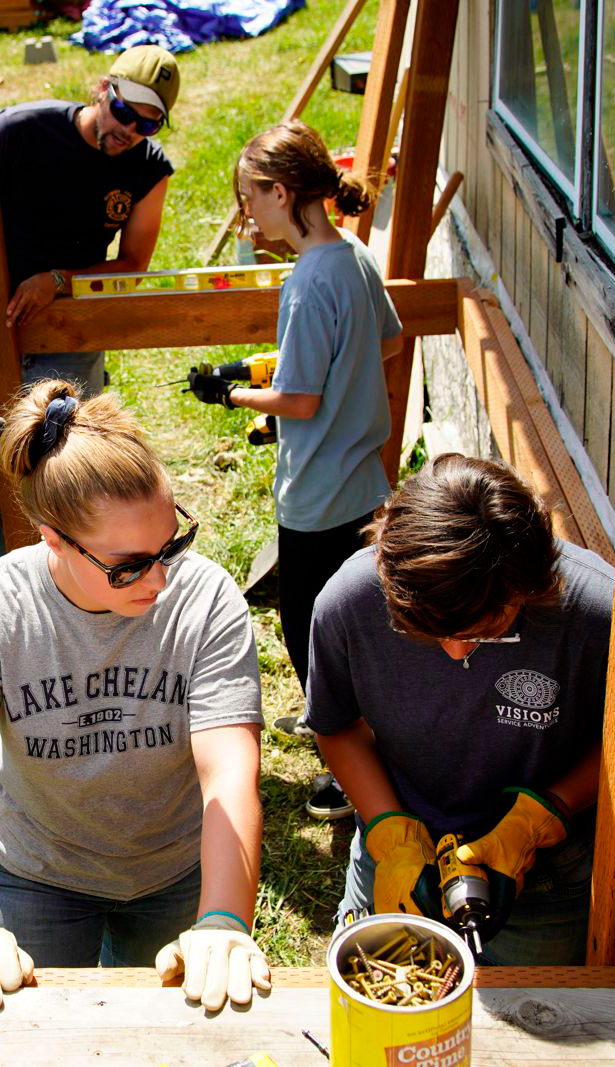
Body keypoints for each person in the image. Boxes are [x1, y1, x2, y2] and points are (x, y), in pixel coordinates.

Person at [0, 380, 271, 1012]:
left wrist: (223, 920)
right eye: (129, 564)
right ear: (52, 538)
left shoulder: (206, 600)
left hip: (176, 868)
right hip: (33, 871)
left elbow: (230, 779)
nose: (160, 578)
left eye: (171, 545)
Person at [304, 454, 613, 965]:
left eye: (482, 630)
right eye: (425, 632)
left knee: (540, 1030)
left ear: (528, 587)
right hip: (397, 860)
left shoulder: (596, 613)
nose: (455, 652)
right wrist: (390, 832)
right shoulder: (350, 602)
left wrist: (544, 815)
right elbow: (338, 728)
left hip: (548, 883)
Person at [186, 119, 404, 820]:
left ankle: (348, 761)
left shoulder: (309, 281)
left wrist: (234, 391)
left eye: (251, 196)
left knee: (311, 628)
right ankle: (340, 723)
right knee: (362, 617)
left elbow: (302, 399)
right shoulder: (357, 257)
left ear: (281, 192)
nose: (247, 212)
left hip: (316, 492)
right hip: (365, 479)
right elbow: (388, 346)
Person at [0, 45, 181, 562]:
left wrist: (58, 280)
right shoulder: (20, 131)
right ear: (104, 90)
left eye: (147, 125)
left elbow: (134, 264)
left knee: (70, 458)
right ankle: (3, 570)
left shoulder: (147, 171)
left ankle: (74, 566)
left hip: (69, 333)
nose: (129, 131)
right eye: (123, 112)